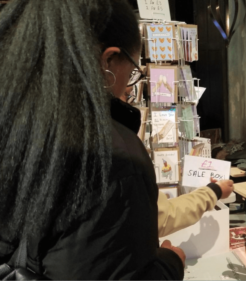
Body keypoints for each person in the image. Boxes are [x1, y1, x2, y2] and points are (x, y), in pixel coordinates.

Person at [0, 0, 233, 279]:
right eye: (134, 70)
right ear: (108, 61)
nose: (130, 85)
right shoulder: (111, 157)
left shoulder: (17, 127)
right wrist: (170, 263)